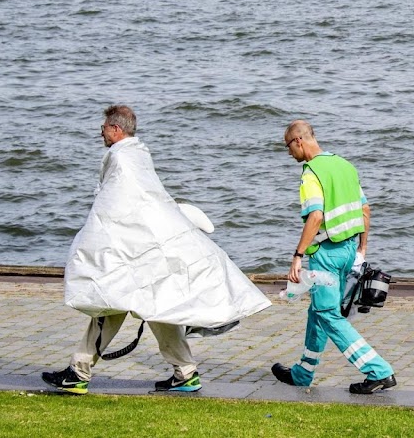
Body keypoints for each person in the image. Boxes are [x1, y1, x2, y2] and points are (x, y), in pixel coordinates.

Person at [42, 105, 271, 395]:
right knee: (157, 306)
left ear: (115, 129)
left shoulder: (119, 157)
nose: (100, 131)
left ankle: (78, 373)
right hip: (152, 246)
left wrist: (96, 244)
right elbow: (145, 199)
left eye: (104, 127)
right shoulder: (140, 155)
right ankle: (185, 373)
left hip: (133, 250)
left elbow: (113, 205)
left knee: (112, 303)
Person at [271, 120, 396, 394]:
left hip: (326, 255)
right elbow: (365, 210)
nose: (289, 153)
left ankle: (379, 371)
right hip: (349, 250)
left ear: (298, 142)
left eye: (288, 147)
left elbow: (315, 216)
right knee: (318, 310)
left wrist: (297, 256)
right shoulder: (344, 166)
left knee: (328, 314)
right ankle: (303, 373)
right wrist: (362, 250)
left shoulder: (311, 173)